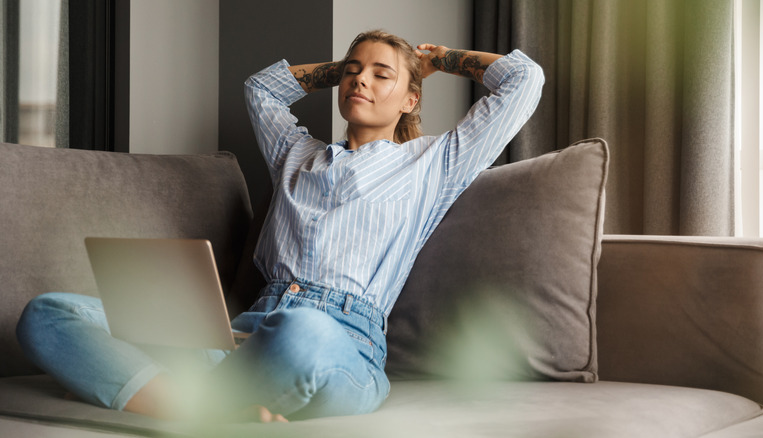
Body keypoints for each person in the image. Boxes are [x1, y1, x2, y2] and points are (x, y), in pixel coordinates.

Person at [16, 30, 543, 423]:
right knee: (48, 314)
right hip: (241, 334)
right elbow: (262, 89)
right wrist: (347, 67)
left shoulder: (433, 164)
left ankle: (151, 388)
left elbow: (524, 80)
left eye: (382, 74)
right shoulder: (295, 153)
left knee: (302, 331)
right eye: (353, 70)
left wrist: (436, 59)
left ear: (411, 100)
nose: (360, 79)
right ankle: (191, 404)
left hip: (341, 343)